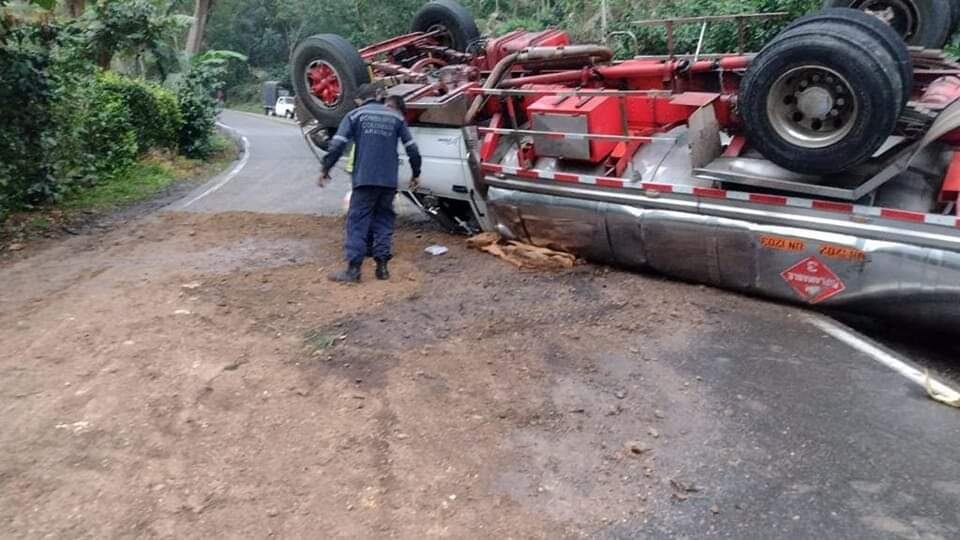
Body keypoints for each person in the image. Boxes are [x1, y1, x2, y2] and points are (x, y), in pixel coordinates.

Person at [320, 84, 421, 283]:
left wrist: (326, 169)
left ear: (359, 100)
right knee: (383, 219)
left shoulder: (355, 115)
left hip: (365, 179)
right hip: (388, 181)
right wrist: (416, 173)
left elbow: (337, 145)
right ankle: (382, 268)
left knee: (358, 221)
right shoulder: (396, 117)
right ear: (377, 96)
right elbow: (413, 150)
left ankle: (353, 270)